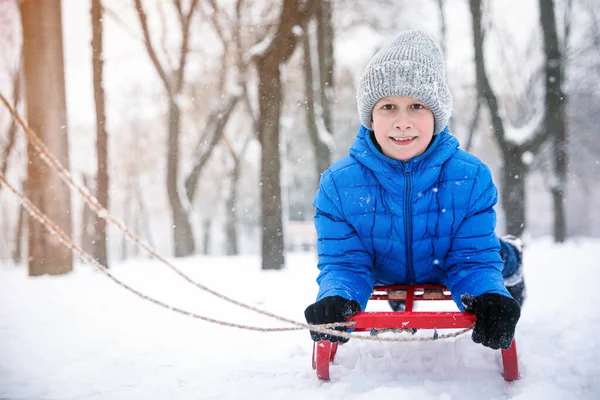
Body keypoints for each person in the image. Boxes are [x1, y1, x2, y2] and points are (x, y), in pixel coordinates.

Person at [304, 30, 525, 350]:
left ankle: (512, 255)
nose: (402, 122)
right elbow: (346, 262)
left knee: (494, 254)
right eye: (388, 107)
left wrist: (489, 296)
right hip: (385, 268)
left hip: (446, 261)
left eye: (417, 106)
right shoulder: (339, 185)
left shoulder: (471, 177)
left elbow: (471, 259)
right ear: (369, 117)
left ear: (437, 115)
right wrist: (337, 297)